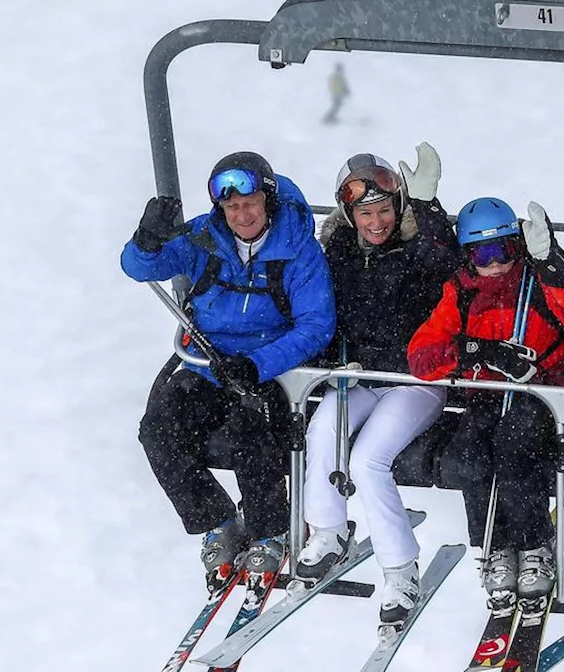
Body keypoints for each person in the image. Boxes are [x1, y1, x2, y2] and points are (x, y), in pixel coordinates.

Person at [121, 152, 336, 587]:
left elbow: (317, 326)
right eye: (232, 207)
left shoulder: (297, 249)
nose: (242, 215)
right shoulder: (205, 237)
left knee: (250, 431)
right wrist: (146, 241)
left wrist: (258, 364)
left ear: (268, 200)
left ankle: (270, 529)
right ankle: (217, 519)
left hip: (272, 366)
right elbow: (137, 268)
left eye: (250, 203)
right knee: (159, 429)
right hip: (208, 362)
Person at [296, 144, 461, 637]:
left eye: (385, 209)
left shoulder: (419, 250)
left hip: (415, 379)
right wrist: (328, 361)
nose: (376, 221)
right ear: (349, 214)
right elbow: (321, 308)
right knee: (323, 427)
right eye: (365, 212)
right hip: (363, 374)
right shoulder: (340, 255)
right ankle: (328, 530)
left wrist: (429, 207)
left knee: (368, 459)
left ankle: (399, 569)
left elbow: (448, 265)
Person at [407, 197, 564, 606]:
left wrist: (552, 265)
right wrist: (477, 351)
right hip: (490, 393)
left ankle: (534, 545)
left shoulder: (535, 281)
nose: (494, 264)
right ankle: (494, 546)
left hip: (546, 393)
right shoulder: (460, 291)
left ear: (518, 247)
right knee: (466, 456)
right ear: (467, 256)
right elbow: (422, 358)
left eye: (503, 251)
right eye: (482, 254)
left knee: (513, 445)